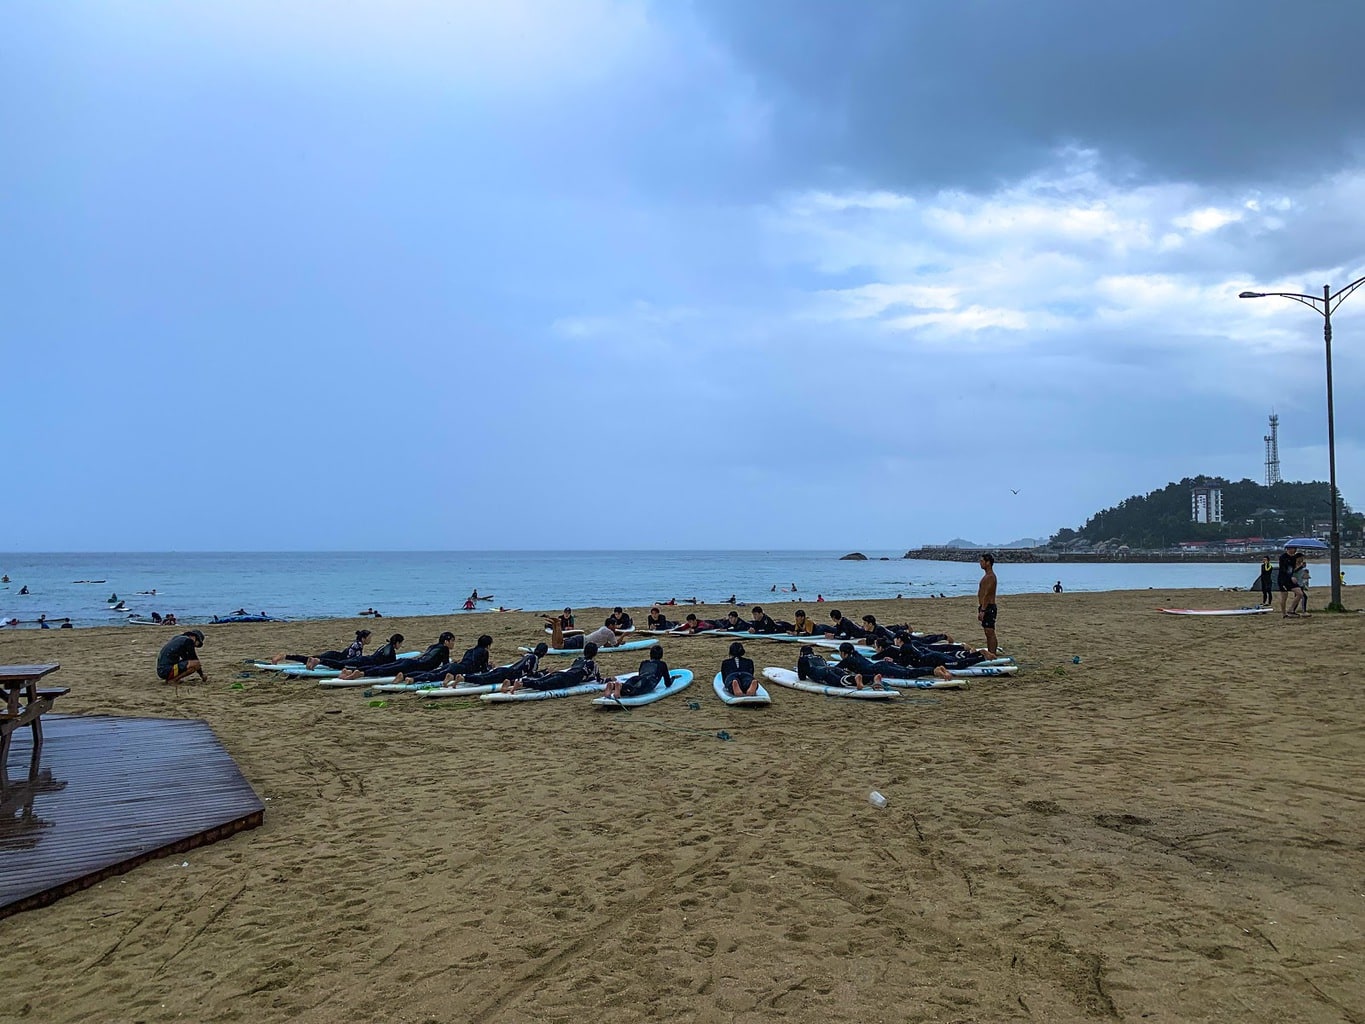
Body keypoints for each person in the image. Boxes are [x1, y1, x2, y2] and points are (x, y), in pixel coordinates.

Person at [337, 632, 453, 680]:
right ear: (446, 642)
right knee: (385, 671)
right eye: (452, 641)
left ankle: (352, 671)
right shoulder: (444, 649)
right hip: (412, 666)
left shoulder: (432, 646)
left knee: (384, 668)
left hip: (409, 661)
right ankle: (361, 673)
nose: (453, 644)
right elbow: (446, 666)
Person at [504, 642, 603, 694]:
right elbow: (600, 680)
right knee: (541, 685)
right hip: (566, 679)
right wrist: (610, 679)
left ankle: (513, 683)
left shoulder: (578, 659)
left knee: (540, 680)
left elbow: (581, 674)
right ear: (595, 653)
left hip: (561, 674)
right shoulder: (593, 665)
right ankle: (521, 683)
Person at [394, 635, 493, 685]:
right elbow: (483, 670)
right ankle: (413, 679)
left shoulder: (470, 650)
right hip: (460, 670)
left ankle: (405, 676)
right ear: (488, 645)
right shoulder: (484, 652)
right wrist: (489, 667)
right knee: (436, 676)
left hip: (455, 666)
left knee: (434, 672)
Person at [270, 629, 372, 668]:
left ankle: (284, 656)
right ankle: (284, 656)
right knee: (311, 660)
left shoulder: (357, 644)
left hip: (334, 654)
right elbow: (352, 660)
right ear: (363, 638)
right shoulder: (358, 646)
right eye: (369, 638)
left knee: (308, 659)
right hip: (336, 658)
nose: (371, 640)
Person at [603, 644, 672, 700]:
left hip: (637, 678)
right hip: (648, 681)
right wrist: (672, 680)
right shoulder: (662, 664)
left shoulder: (644, 662)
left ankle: (613, 686)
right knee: (634, 690)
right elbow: (667, 682)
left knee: (629, 686)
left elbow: (640, 673)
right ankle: (619, 686)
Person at [545, 617, 629, 650]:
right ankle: (558, 624)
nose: (616, 627)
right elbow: (615, 645)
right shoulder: (610, 632)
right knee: (558, 645)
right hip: (581, 643)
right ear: (610, 625)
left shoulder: (604, 629)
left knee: (555, 645)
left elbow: (606, 644)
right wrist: (623, 635)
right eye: (614, 625)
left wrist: (620, 642)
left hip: (581, 639)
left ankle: (554, 625)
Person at [975, 553, 999, 656]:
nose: (980, 563)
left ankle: (992, 653)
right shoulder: (986, 576)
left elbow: (987, 594)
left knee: (990, 632)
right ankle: (990, 652)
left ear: (988, 562)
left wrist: (983, 610)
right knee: (987, 632)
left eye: (982, 561)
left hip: (988, 607)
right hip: (985, 607)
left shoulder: (990, 577)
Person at [1277, 545, 1298, 617]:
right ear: (1288, 549)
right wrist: (1290, 577)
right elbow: (1283, 569)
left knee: (1300, 593)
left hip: (1290, 579)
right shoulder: (1283, 557)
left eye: (1295, 549)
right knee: (1284, 596)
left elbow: (1293, 569)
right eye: (1293, 549)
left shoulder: (1294, 558)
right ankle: (1284, 613)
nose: (1294, 550)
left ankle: (1291, 609)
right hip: (1283, 580)